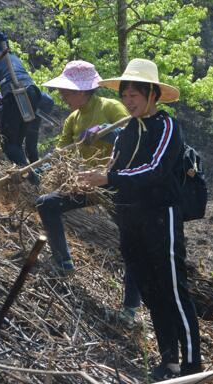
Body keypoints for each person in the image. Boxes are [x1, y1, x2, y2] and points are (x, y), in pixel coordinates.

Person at [78, 58, 202, 379]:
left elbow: (155, 171)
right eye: (125, 94)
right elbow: (115, 171)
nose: (129, 100)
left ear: (153, 95)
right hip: (130, 219)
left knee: (174, 289)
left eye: (135, 93)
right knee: (149, 290)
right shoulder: (125, 132)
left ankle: (192, 365)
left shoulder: (166, 126)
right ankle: (169, 361)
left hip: (162, 217)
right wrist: (97, 178)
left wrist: (108, 177)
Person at [36, 61, 141, 323]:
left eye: (68, 92)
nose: (63, 96)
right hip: (88, 182)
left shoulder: (110, 107)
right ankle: (63, 264)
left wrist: (108, 134)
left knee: (132, 244)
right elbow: (61, 152)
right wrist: (41, 167)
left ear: (84, 91)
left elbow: (135, 136)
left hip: (117, 183)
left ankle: (130, 309)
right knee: (47, 204)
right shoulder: (73, 118)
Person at [0, 31, 53, 167]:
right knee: (20, 140)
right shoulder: (12, 55)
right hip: (32, 91)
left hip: (13, 93)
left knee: (9, 143)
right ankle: (35, 170)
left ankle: (31, 178)